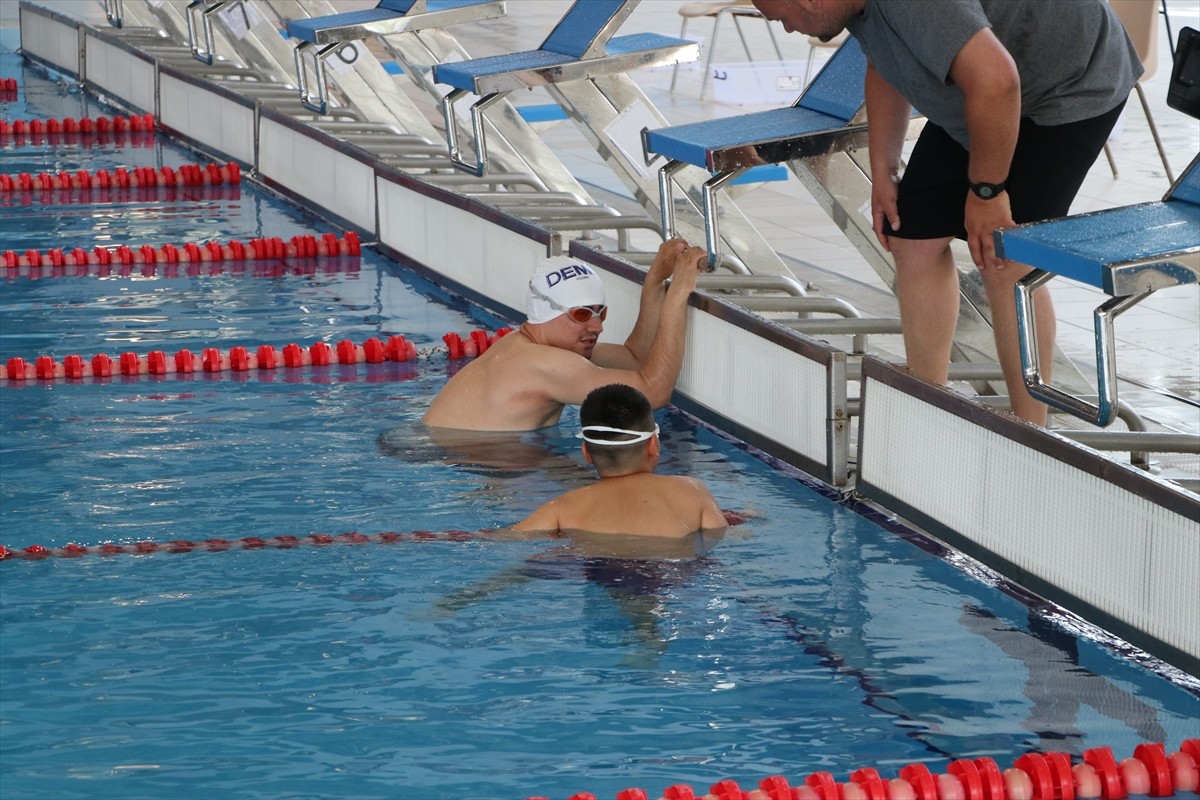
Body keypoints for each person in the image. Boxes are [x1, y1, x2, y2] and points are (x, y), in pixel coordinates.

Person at [751, 0, 1141, 424]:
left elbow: (997, 81)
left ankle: (1031, 431)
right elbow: (884, 62)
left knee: (1004, 257)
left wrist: (987, 193)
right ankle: (928, 406)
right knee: (912, 237)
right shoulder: (854, 7)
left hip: (1066, 84)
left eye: (782, 17)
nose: (787, 28)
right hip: (984, 87)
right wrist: (884, 170)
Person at [423, 239, 708, 431]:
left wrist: (656, 279)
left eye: (600, 313)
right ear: (546, 312)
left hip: (468, 456)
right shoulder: (544, 364)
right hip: (462, 461)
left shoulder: (532, 346)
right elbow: (654, 393)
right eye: (581, 315)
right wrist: (678, 294)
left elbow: (634, 359)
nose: (597, 327)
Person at [509, 383, 727, 537]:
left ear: (586, 452)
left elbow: (505, 538)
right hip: (672, 573)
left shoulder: (561, 509)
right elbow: (723, 535)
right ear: (653, 445)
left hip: (602, 572)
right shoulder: (691, 492)